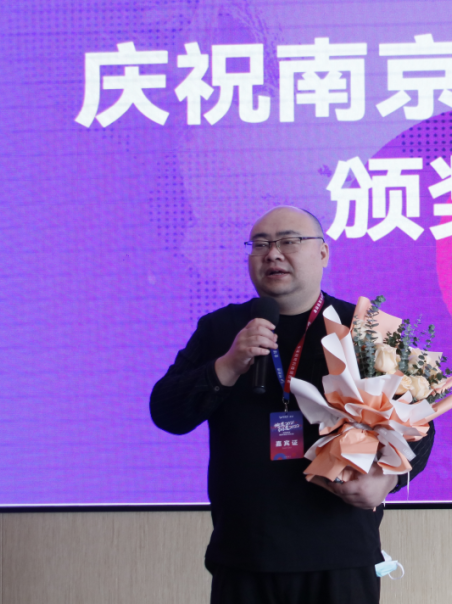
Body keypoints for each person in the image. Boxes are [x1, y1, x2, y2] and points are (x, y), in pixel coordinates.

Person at [150, 206, 434, 604]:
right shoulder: (220, 329)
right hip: (245, 553)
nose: (273, 253)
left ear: (323, 253)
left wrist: (387, 481)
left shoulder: (365, 328)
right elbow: (167, 413)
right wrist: (228, 364)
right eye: (260, 244)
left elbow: (421, 425)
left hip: (340, 554)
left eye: (289, 241)